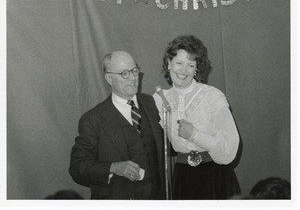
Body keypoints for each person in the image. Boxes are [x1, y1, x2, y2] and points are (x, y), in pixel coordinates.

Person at [153, 35, 241, 199]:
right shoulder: (159, 99)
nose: (183, 70)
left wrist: (194, 135)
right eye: (179, 63)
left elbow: (229, 148)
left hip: (215, 177)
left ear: (196, 69)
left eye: (190, 65)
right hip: (183, 178)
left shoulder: (213, 96)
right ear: (168, 63)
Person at [69, 51, 165, 200]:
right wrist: (113, 167)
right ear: (109, 78)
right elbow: (77, 167)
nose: (133, 78)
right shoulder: (92, 119)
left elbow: (166, 146)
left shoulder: (151, 103)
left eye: (134, 71)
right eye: (124, 73)